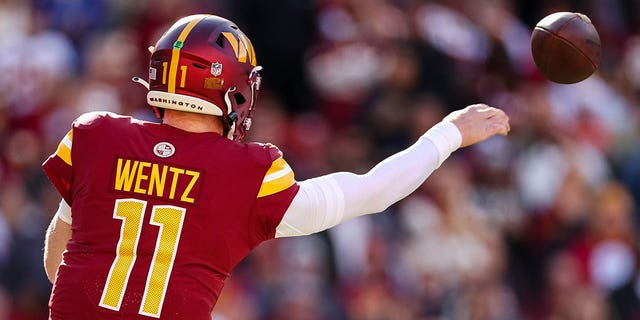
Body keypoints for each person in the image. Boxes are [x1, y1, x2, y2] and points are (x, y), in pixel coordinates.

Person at [42, 14, 510, 319]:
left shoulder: (94, 134)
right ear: (232, 90)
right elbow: (373, 191)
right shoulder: (248, 170)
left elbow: (57, 261)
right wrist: (449, 133)